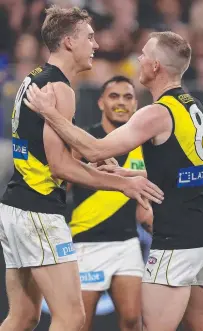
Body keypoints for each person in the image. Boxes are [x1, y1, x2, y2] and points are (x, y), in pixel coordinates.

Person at [25, 31, 203, 331]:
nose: (137, 60)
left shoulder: (156, 113)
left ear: (155, 67)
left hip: (177, 241)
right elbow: (185, 176)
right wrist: (125, 174)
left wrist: (51, 113)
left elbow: (94, 149)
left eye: (143, 55)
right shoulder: (200, 109)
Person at [0, 7, 164, 331]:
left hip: (16, 208)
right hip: (40, 213)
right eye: (89, 37)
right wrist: (121, 184)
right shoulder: (60, 88)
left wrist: (110, 167)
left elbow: (60, 150)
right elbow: (60, 167)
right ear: (68, 41)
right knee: (72, 318)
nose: (96, 44)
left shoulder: (34, 77)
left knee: (22, 317)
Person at [69, 75, 153, 331]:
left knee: (132, 319)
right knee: (80, 323)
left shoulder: (145, 147)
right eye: (113, 96)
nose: (121, 102)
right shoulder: (85, 142)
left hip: (127, 243)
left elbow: (144, 206)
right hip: (85, 244)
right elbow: (61, 185)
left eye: (128, 97)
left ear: (136, 104)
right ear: (100, 103)